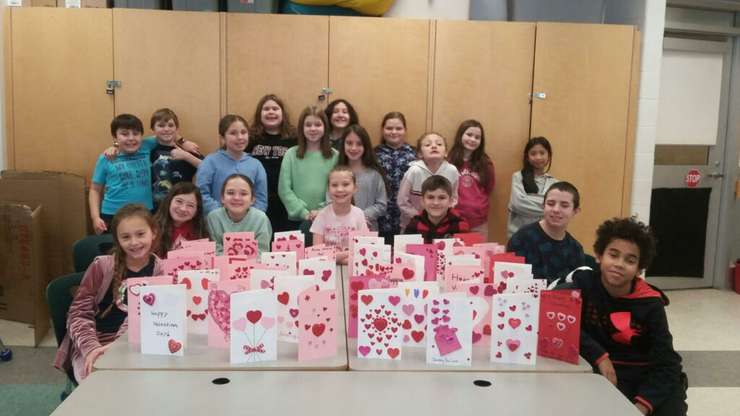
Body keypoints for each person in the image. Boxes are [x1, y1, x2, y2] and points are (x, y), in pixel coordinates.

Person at [556, 217, 687, 416]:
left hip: (648, 377)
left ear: (639, 268)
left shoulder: (651, 303)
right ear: (599, 255)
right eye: (613, 255)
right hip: (605, 372)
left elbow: (667, 363)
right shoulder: (585, 284)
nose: (619, 264)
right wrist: (599, 355)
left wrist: (642, 406)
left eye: (630, 260)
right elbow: (557, 315)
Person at [54, 204, 163, 382]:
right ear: (118, 240)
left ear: (154, 233)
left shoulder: (160, 270)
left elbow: (151, 318)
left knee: (149, 383)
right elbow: (77, 313)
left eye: (141, 234)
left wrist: (120, 346)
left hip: (136, 342)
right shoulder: (103, 266)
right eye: (126, 237)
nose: (134, 242)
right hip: (95, 341)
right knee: (100, 385)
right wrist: (92, 348)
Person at [506, 181, 585, 282]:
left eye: (564, 206)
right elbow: (511, 281)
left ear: (575, 211)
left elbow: (576, 289)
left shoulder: (575, 249)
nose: (556, 209)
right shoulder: (522, 239)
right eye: (551, 204)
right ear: (543, 206)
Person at [89, 114, 154, 234]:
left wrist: (183, 141)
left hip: (144, 213)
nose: (131, 138)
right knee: (114, 251)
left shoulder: (146, 147)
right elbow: (95, 190)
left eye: (136, 133)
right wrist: (95, 217)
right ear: (115, 137)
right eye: (124, 134)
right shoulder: (107, 158)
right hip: (113, 215)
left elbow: (167, 133)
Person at [278, 106, 339, 227]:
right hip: (297, 220)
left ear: (325, 127)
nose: (313, 129)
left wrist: (321, 212)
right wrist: (304, 213)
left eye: (318, 124)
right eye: (308, 125)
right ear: (301, 128)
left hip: (327, 219)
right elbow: (284, 189)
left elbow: (337, 189)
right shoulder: (291, 154)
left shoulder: (335, 156)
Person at [246, 94, 299, 232]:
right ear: (259, 114)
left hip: (286, 201)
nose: (271, 112)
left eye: (275, 108)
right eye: (266, 109)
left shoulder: (295, 138)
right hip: (257, 200)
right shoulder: (250, 138)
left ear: (283, 113)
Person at [197, 114, 268, 215]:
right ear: (223, 138)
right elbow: (201, 193)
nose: (240, 137)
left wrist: (249, 217)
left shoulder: (256, 165)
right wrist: (222, 214)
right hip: (217, 221)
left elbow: (261, 199)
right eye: (233, 133)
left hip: (248, 224)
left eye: (243, 132)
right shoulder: (210, 162)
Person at [397, 132, 459, 230]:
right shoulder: (414, 171)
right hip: (412, 226)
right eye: (428, 145)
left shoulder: (452, 171)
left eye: (439, 144)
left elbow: (454, 198)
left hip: (442, 226)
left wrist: (441, 215)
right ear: (420, 154)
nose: (434, 146)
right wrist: (420, 218)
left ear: (446, 152)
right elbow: (402, 201)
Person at [311, 166, 369, 265]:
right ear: (328, 189)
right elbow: (317, 254)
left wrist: (334, 258)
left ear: (355, 188)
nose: (340, 189)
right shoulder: (322, 216)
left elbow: (364, 251)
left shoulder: (359, 214)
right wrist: (348, 255)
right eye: (334, 185)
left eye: (346, 184)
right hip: (327, 270)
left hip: (353, 271)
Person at [447, 119, 495, 240]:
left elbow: (489, 188)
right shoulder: (448, 160)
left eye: (477, 137)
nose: (472, 139)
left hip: (479, 221)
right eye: (469, 135)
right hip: (453, 219)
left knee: (478, 255)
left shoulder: (486, 163)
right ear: (460, 135)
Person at [374, 111, 417, 243]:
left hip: (406, 216)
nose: (394, 132)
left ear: (405, 130)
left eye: (398, 128)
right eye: (389, 128)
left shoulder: (415, 154)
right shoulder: (374, 154)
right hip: (381, 215)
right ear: (382, 130)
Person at [147, 108, 203, 208]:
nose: (166, 129)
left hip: (183, 208)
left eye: (170, 125)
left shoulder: (187, 151)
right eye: (161, 125)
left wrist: (186, 156)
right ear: (153, 130)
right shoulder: (148, 152)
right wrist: (115, 146)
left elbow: (210, 168)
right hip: (157, 209)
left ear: (177, 129)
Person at [336, 124, 388, 231]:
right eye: (349, 143)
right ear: (343, 145)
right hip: (340, 229)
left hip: (368, 229)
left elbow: (381, 204)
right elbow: (330, 200)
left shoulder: (375, 175)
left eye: (359, 144)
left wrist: (361, 216)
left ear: (365, 146)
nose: (353, 148)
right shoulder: (336, 174)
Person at [207, 174, 272, 255]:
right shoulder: (213, 218)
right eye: (230, 193)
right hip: (221, 266)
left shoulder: (261, 219)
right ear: (222, 198)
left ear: (252, 199)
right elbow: (214, 251)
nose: (236, 198)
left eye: (243, 194)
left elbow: (262, 252)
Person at [507, 136, 557, 238]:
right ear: (527, 157)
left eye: (542, 153)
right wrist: (547, 206)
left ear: (549, 156)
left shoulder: (554, 183)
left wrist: (529, 200)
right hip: (519, 235)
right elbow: (518, 204)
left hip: (544, 236)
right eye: (533, 153)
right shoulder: (518, 177)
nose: (538, 157)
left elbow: (556, 209)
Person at [404, 175, 469, 243]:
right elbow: (404, 251)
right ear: (422, 201)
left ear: (450, 201)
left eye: (441, 198)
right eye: (430, 197)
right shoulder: (414, 224)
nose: (436, 203)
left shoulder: (460, 224)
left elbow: (464, 252)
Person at [153, 182, 209, 257]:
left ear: (196, 211)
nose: (183, 209)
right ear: (169, 201)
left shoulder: (200, 232)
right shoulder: (152, 228)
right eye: (179, 201)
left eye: (190, 205)